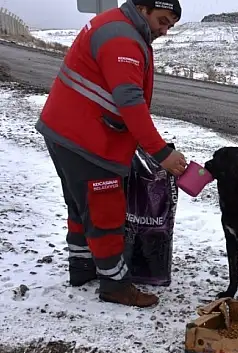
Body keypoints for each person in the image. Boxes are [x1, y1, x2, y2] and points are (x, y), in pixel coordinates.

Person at [35, 0, 186, 307]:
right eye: (163, 20)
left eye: (171, 25)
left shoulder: (118, 26)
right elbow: (130, 101)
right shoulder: (123, 38)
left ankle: (82, 267)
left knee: (81, 206)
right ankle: (115, 284)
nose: (165, 30)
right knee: (106, 212)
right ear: (144, 8)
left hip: (67, 131)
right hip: (86, 139)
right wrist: (161, 152)